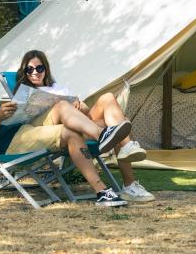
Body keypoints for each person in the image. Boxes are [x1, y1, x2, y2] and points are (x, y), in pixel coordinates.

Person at [0, 51, 129, 207]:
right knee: (69, 132)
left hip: (23, 128)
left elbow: (4, 116)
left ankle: (103, 134)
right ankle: (102, 192)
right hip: (9, 144)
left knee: (62, 104)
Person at [15, 50, 155, 203]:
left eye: (39, 68)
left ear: (46, 69)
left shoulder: (58, 88)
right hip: (47, 128)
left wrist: (80, 106)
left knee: (110, 101)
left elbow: (86, 112)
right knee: (62, 105)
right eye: (30, 69)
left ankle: (129, 178)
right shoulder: (23, 91)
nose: (34, 72)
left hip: (77, 123)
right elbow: (22, 118)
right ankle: (104, 136)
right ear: (24, 71)